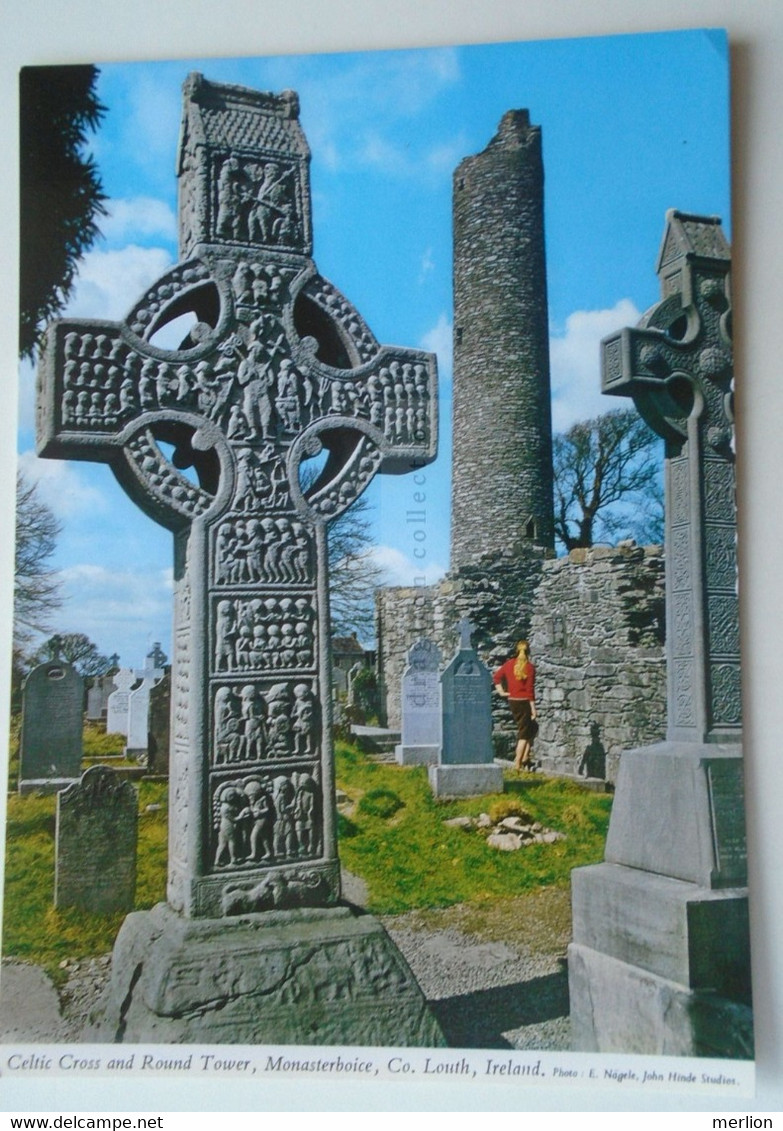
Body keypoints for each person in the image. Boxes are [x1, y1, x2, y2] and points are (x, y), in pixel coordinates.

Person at [493, 640, 538, 771]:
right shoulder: (530, 668)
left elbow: (496, 677)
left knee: (533, 728)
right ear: (528, 652)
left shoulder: (509, 664)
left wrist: (501, 692)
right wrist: (533, 709)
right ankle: (518, 762)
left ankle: (525, 757)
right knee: (524, 733)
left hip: (513, 700)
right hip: (524, 702)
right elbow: (530, 691)